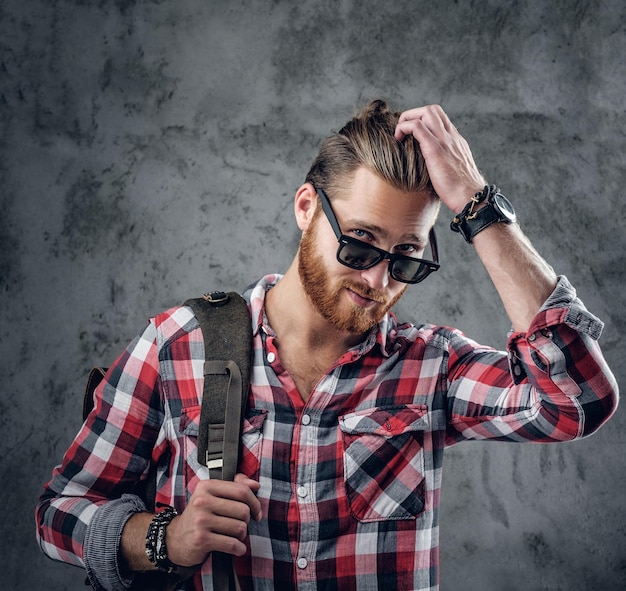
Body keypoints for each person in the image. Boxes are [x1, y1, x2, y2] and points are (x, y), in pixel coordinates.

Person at [36, 100, 618, 591]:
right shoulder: (177, 345)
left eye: (407, 257)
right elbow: (59, 513)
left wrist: (477, 204)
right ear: (307, 208)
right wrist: (165, 537)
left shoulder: (433, 367)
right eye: (361, 244)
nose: (378, 281)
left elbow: (578, 402)